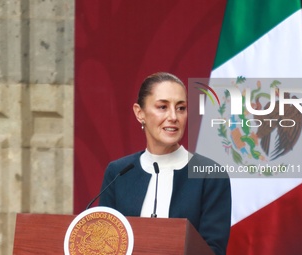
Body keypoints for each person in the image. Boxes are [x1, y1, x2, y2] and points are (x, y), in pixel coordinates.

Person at [99, 72, 231, 255]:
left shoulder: (210, 175)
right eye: (162, 107)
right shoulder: (118, 172)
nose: (173, 117)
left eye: (181, 108)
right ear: (140, 113)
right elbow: (102, 242)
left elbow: (212, 250)